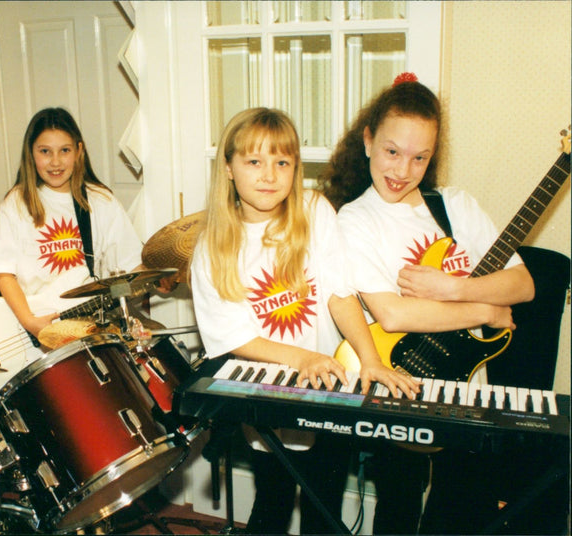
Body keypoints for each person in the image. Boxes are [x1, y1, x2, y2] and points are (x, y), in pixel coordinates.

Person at [319, 76, 536, 534]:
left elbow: (523, 285)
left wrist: (451, 289)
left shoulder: (455, 204)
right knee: (399, 506)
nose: (402, 169)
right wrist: (484, 309)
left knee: (464, 512)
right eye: (392, 152)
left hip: (471, 383)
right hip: (404, 381)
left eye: (420, 157)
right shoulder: (354, 219)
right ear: (368, 140)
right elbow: (394, 313)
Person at [190, 107, 420, 534]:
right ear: (228, 167)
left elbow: (340, 296)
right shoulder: (213, 247)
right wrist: (301, 359)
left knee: (324, 508)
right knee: (274, 499)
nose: (268, 175)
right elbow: (235, 338)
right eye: (254, 162)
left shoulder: (315, 211)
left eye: (282, 162)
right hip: (269, 396)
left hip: (332, 384)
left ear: (295, 168)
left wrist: (371, 362)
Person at [0, 107, 146, 340]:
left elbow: (131, 265)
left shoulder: (101, 201)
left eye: (64, 150)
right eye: (45, 151)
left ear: (79, 151)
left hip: (85, 327)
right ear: (31, 153)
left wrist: (159, 275)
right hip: (28, 327)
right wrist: (30, 322)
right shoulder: (17, 203)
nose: (55, 162)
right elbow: (3, 273)